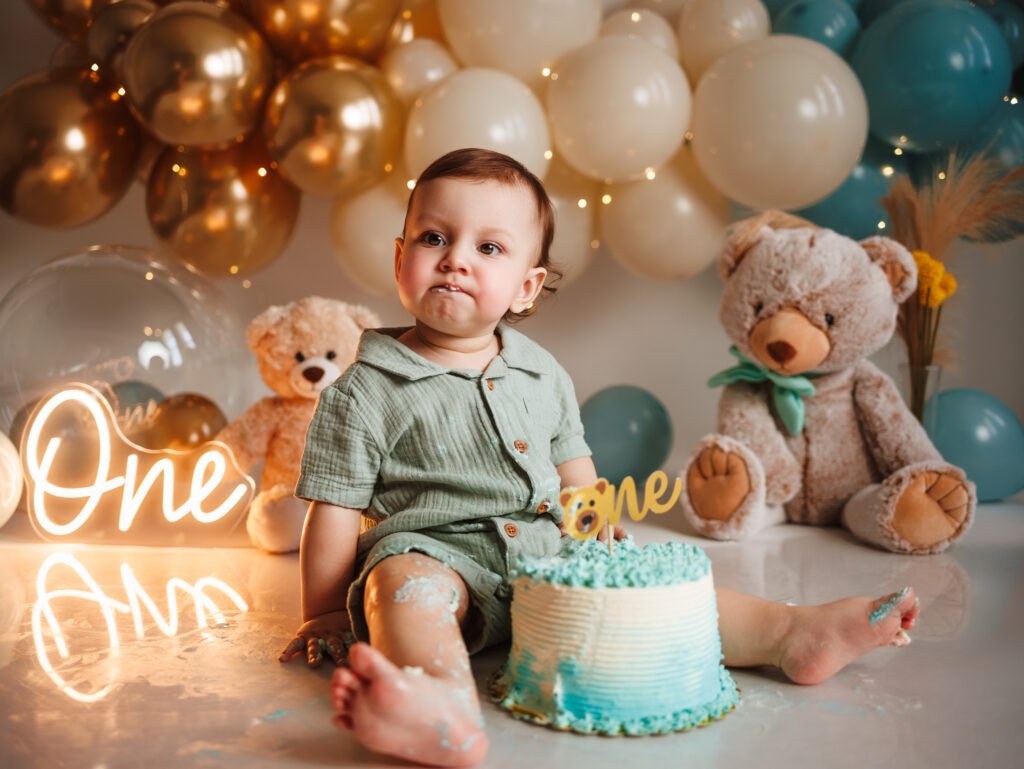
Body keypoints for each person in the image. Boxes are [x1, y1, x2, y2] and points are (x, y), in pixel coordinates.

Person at [279, 148, 919, 768]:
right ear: (400, 260)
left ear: (526, 288)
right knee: (402, 591)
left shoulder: (541, 373)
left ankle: (790, 635)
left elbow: (574, 468)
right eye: (433, 239)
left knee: (651, 589)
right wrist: (328, 612)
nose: (456, 261)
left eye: (489, 248)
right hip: (435, 556)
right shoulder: (363, 389)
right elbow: (334, 510)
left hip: (541, 550)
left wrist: (592, 532)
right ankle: (438, 703)